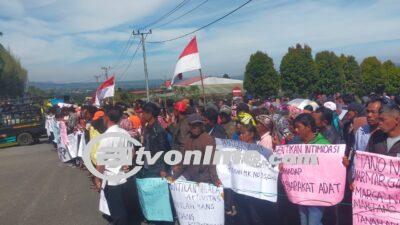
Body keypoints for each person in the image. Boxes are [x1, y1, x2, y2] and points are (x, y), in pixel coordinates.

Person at [96, 106, 141, 225]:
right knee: (129, 209)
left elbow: (101, 163)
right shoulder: (124, 133)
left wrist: (97, 178)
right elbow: (132, 152)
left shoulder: (106, 137)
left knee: (118, 213)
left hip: (112, 180)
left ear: (106, 118)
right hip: (126, 177)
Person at [292, 113, 330, 225]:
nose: (295, 130)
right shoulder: (296, 144)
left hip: (316, 193)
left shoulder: (324, 145)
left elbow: (331, 169)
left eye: (298, 127)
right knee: (303, 220)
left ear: (308, 127)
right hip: (301, 190)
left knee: (314, 222)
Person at [171, 113, 221, 186]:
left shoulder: (207, 140)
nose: (196, 128)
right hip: (192, 178)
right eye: (193, 126)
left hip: (205, 180)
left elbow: (211, 162)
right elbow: (185, 162)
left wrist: (215, 179)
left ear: (202, 126)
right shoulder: (188, 139)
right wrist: (174, 177)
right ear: (189, 126)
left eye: (198, 125)